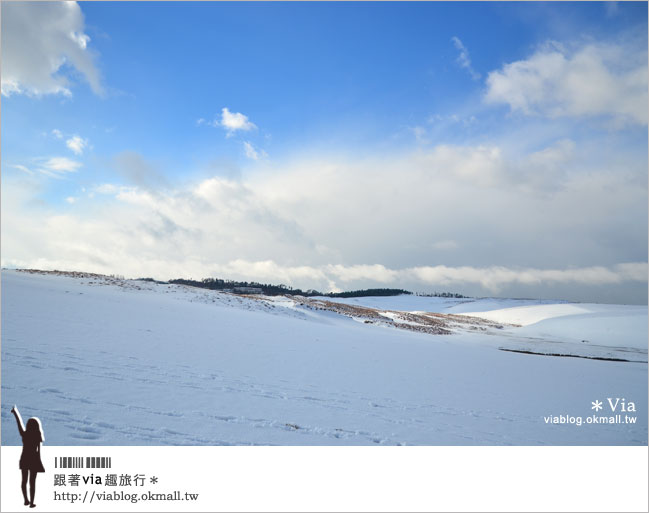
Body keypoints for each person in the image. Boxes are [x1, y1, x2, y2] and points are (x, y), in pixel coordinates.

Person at [11, 406, 45, 508]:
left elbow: (19, 423)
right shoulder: (38, 435)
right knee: (32, 483)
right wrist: (39, 463)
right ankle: (31, 502)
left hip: (24, 459)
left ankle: (26, 499)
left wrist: (15, 413)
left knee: (24, 480)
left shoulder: (24, 435)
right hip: (34, 460)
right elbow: (39, 451)